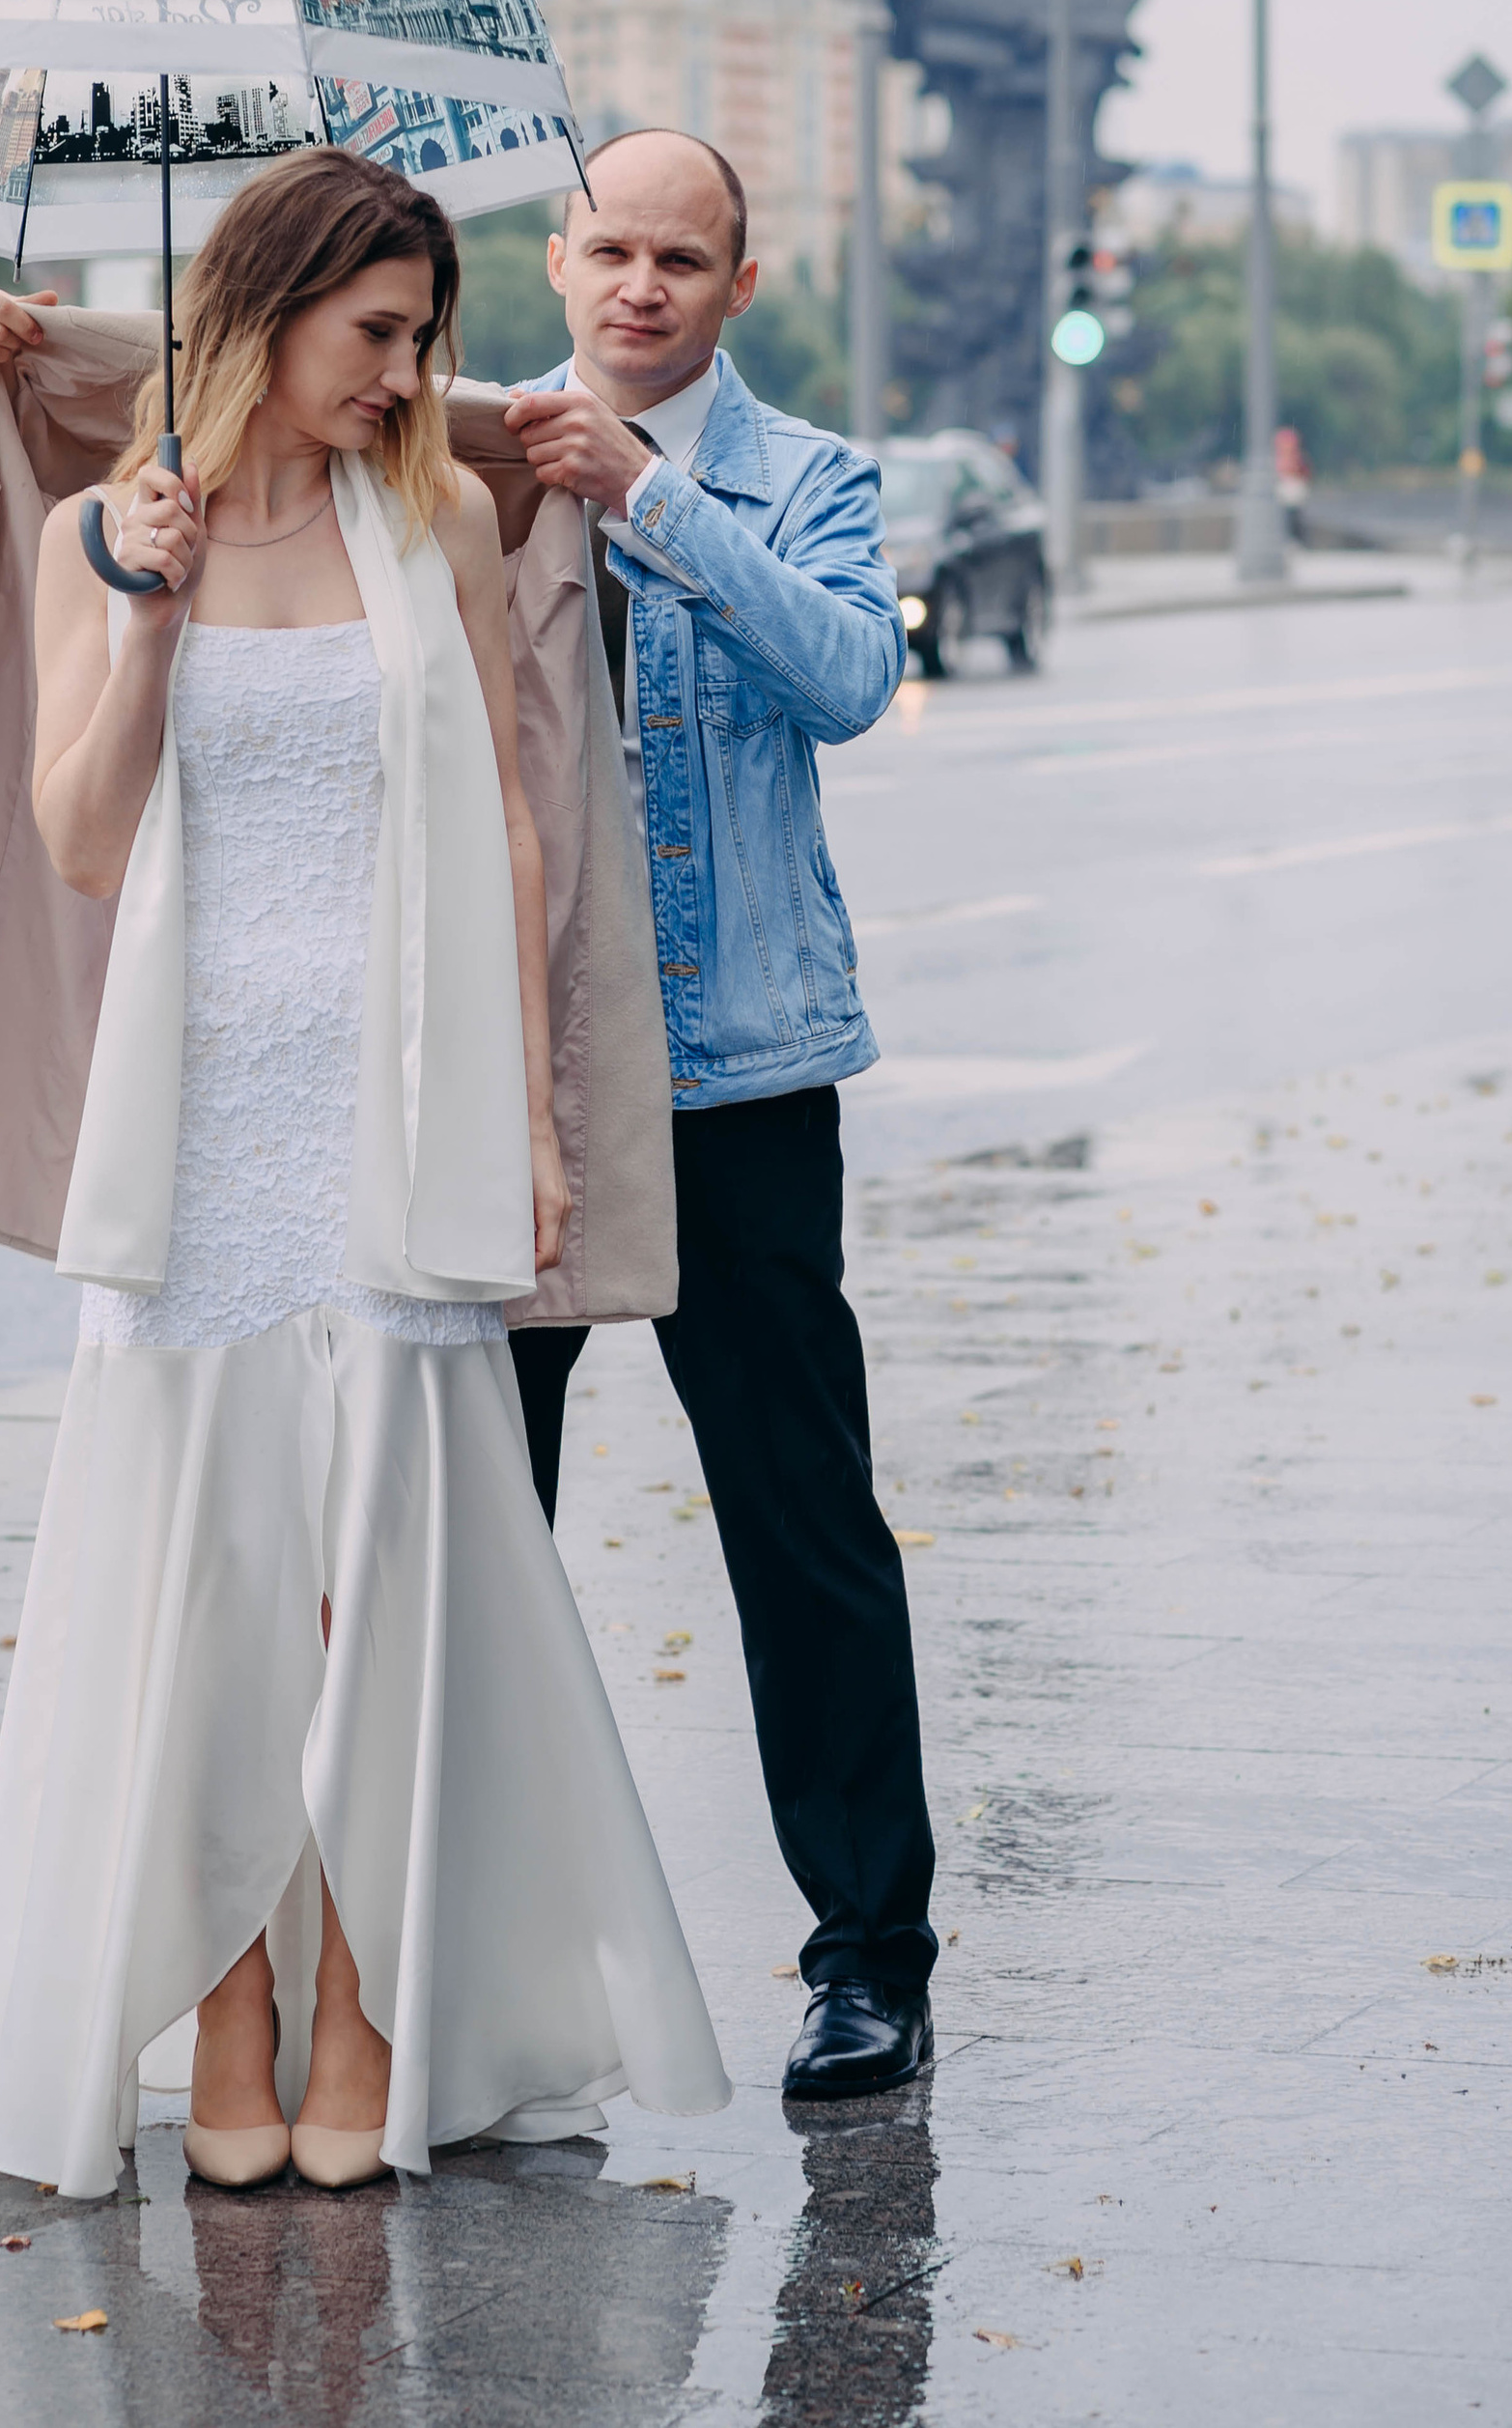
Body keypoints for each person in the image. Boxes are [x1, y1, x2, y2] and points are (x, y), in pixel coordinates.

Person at [0, 150, 726, 2199]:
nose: (401, 374)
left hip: (385, 1110)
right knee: (206, 1587)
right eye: (375, 335)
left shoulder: (438, 517)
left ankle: (362, 1995)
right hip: (188, 1124)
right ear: (268, 311)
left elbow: (514, 826)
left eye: (421, 340)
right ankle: (218, 2000)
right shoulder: (105, 530)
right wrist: (141, 616)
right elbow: (85, 843)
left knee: (376, 1581)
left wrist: (538, 1119)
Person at [496, 128, 937, 2104]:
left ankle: (865, 1959)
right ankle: (468, 1963)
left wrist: (653, 502)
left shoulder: (804, 482)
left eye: (681, 257)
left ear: (737, 286)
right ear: (555, 256)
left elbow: (850, 679)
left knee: (795, 1529)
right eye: (609, 249)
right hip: (504, 1087)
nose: (639, 288)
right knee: (469, 1527)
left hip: (733, 1079)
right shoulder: (458, 456)